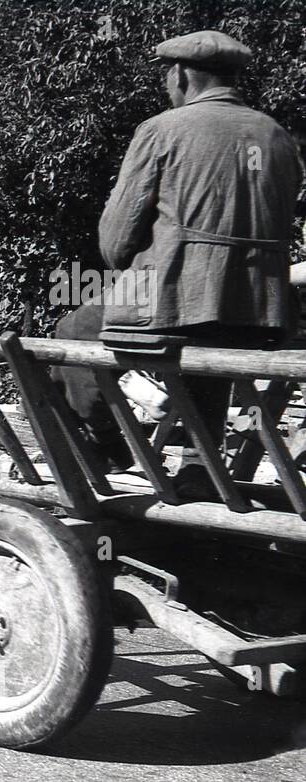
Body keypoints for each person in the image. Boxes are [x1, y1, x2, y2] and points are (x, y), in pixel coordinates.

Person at [96, 29, 303, 497]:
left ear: (182, 75)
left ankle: (104, 454)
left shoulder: (162, 130)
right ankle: (196, 464)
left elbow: (114, 242)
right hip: (263, 314)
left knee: (73, 331)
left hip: (177, 304)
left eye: (168, 76)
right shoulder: (277, 137)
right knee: (210, 340)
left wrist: (139, 267)